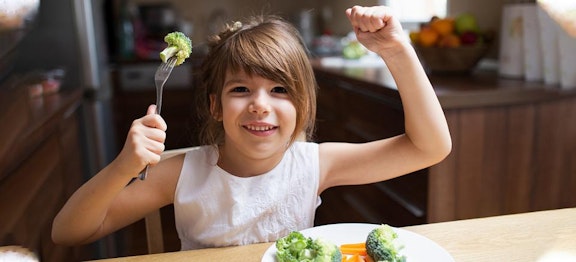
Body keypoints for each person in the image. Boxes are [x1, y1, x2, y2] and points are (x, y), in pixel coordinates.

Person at [52, 5, 451, 250]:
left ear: (302, 105)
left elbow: (428, 147)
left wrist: (396, 51)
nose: (260, 104)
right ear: (216, 107)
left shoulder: (315, 164)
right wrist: (124, 166)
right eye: (241, 89)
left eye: (280, 90)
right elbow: (69, 232)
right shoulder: (180, 175)